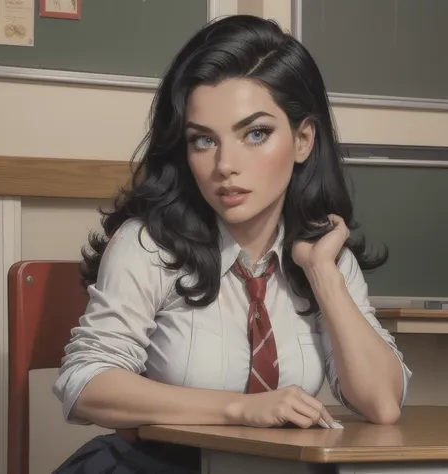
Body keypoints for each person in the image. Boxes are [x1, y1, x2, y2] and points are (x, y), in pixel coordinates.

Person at [52, 14, 412, 474]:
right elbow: (85, 385)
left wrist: (323, 274)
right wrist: (238, 408)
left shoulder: (324, 253)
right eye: (203, 140)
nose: (225, 165)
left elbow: (382, 405)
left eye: (255, 134)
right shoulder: (148, 244)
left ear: (303, 140)